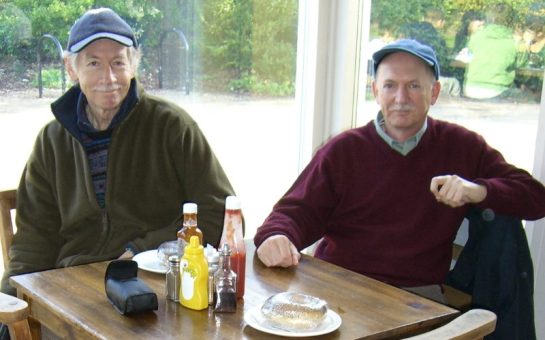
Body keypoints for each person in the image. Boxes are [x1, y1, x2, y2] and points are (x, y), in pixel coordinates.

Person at [254, 39, 545, 302]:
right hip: (339, 290)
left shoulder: (462, 147)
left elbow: (535, 197)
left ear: (435, 92)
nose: (401, 97)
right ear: (376, 91)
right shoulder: (344, 150)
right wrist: (275, 236)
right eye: (390, 85)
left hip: (417, 298)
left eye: (414, 86)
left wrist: (478, 190)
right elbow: (295, 213)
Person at [0, 8, 235, 295]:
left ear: (134, 64)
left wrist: (141, 250)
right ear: (72, 68)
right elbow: (34, 239)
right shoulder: (52, 141)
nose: (108, 77)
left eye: (118, 62)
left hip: (153, 284)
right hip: (74, 285)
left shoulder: (173, 127)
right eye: (94, 63)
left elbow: (221, 213)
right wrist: (8, 305)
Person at [463, 3, 527, 100]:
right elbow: (520, 64)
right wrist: (525, 43)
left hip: (470, 88)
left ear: (490, 18)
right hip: (498, 90)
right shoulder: (514, 41)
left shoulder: (476, 36)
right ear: (511, 21)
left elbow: (469, 54)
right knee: (528, 97)